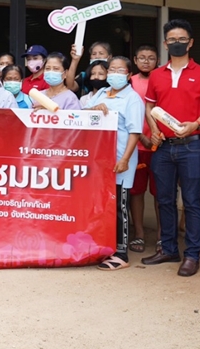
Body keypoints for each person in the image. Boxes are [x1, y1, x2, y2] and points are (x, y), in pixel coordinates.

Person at [141, 20, 200, 277]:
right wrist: (154, 129)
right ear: (165, 44)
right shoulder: (157, 74)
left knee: (192, 201)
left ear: (190, 42)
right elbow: (150, 107)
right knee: (164, 200)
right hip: (163, 147)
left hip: (192, 145)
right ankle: (168, 249)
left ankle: (192, 255)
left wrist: (195, 124)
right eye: (172, 40)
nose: (177, 43)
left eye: (182, 39)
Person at [85, 56, 143, 271]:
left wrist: (125, 159)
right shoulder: (101, 93)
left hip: (120, 161)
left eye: (120, 71)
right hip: (99, 160)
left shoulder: (132, 99)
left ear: (129, 75)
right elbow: (82, 114)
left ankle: (121, 252)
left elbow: (135, 132)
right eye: (112, 70)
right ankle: (104, 247)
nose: (115, 74)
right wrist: (93, 108)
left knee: (119, 205)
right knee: (102, 206)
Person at [129, 45, 160, 253]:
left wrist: (155, 137)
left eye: (151, 58)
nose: (146, 61)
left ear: (157, 60)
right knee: (137, 192)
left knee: (161, 194)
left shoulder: (162, 80)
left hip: (160, 145)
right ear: (135, 60)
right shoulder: (129, 82)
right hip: (136, 147)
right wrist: (141, 136)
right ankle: (139, 234)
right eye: (142, 58)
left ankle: (162, 236)